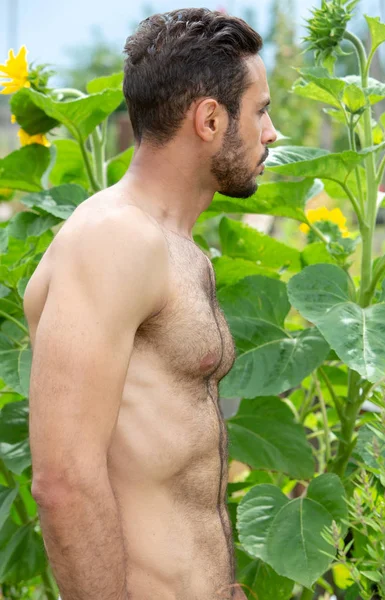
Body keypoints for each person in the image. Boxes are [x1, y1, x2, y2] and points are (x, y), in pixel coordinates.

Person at [23, 7, 277, 600]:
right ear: (210, 119)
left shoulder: (174, 246)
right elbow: (63, 482)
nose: (271, 133)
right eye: (260, 111)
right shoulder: (113, 240)